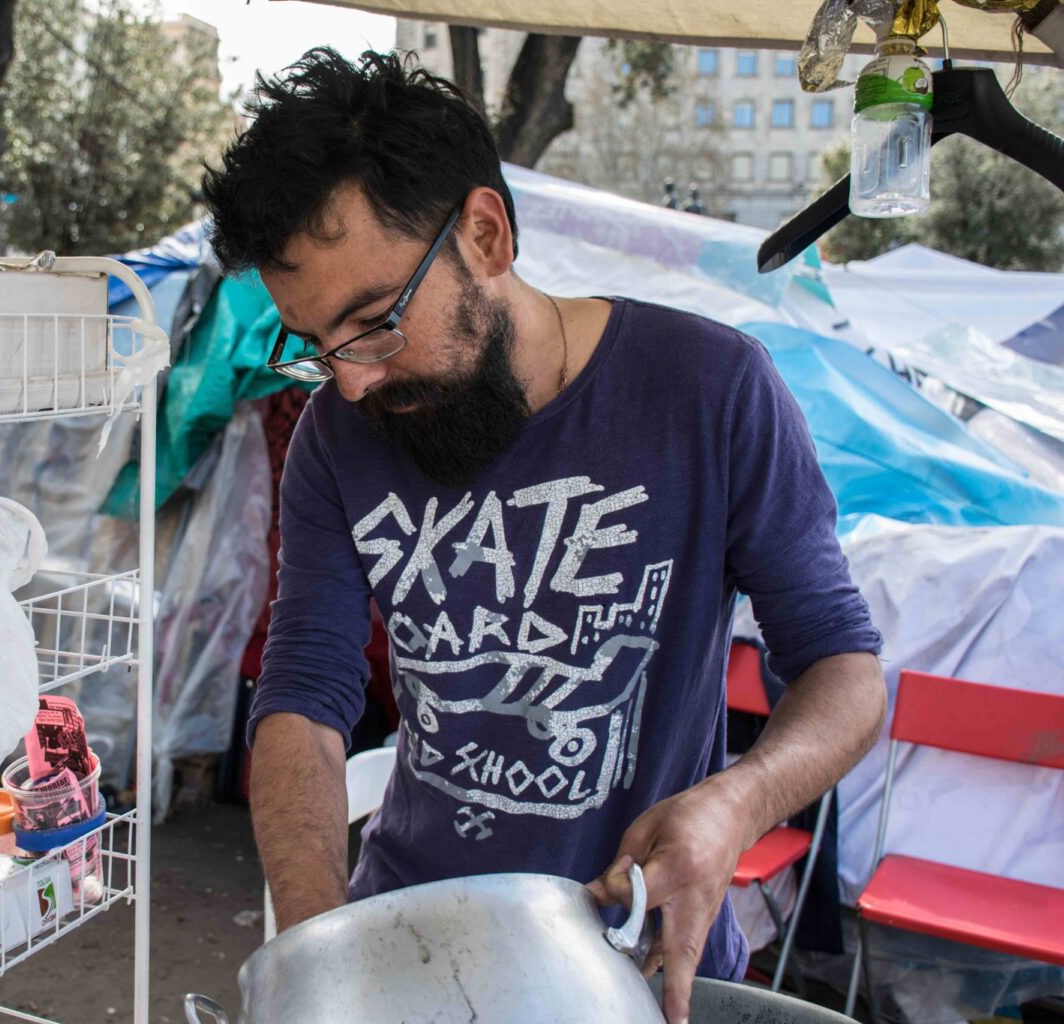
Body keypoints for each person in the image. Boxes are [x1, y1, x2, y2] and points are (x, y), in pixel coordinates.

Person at [201, 48, 887, 1023]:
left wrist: (734, 803)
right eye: (316, 347)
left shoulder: (709, 391)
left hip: (633, 962)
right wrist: (322, 966)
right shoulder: (334, 439)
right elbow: (305, 694)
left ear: (486, 235)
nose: (350, 383)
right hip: (411, 952)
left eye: (372, 323)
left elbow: (843, 670)